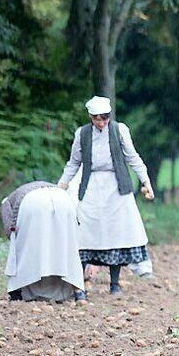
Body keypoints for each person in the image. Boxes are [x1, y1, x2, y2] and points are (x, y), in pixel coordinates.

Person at [57, 96, 154, 296]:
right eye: (96, 119)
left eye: (104, 118)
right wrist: (62, 184)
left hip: (116, 187)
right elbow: (74, 162)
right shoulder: (82, 134)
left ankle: (115, 284)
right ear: (91, 117)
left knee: (115, 233)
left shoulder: (120, 130)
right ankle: (79, 286)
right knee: (84, 233)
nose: (100, 123)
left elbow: (133, 158)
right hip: (90, 186)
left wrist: (145, 181)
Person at [1, 181, 86, 302]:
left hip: (32, 203)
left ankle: (17, 291)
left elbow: (11, 233)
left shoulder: (6, 203)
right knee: (68, 246)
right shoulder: (44, 189)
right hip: (64, 199)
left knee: (25, 248)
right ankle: (79, 292)